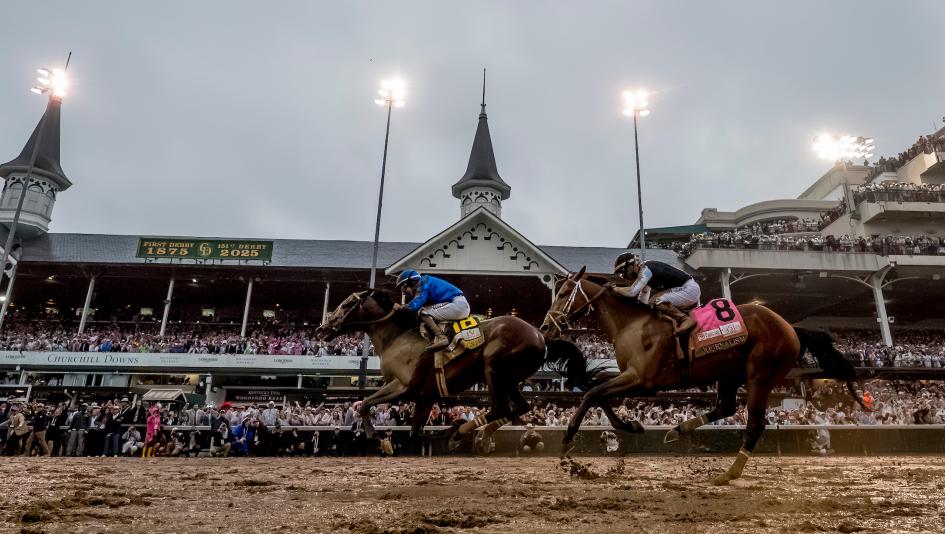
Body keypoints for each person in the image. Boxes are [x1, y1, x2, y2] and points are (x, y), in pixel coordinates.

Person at [612, 252, 700, 333]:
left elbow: (632, 292)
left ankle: (685, 319)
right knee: (652, 303)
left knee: (656, 300)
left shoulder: (646, 270)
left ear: (630, 267)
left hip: (688, 289)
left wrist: (615, 288)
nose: (624, 276)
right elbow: (644, 296)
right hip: (686, 289)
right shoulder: (645, 270)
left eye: (623, 273)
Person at [393, 269, 470, 351]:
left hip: (458, 305)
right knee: (425, 311)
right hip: (459, 305)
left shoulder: (422, 283)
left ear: (411, 282)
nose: (405, 293)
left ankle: (442, 338)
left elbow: (415, 305)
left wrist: (401, 308)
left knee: (423, 312)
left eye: (404, 288)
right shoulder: (426, 281)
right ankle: (438, 338)